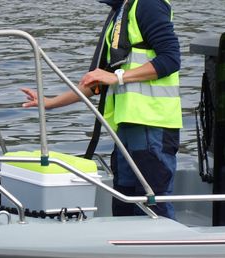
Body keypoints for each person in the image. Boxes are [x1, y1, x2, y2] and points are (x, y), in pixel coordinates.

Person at [21, 0, 182, 218]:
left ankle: (161, 249)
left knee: (153, 202)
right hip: (126, 127)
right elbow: (97, 82)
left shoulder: (148, 4)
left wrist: (117, 77)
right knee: (124, 198)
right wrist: (50, 102)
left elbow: (170, 59)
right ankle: (123, 249)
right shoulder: (120, 13)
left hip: (152, 124)